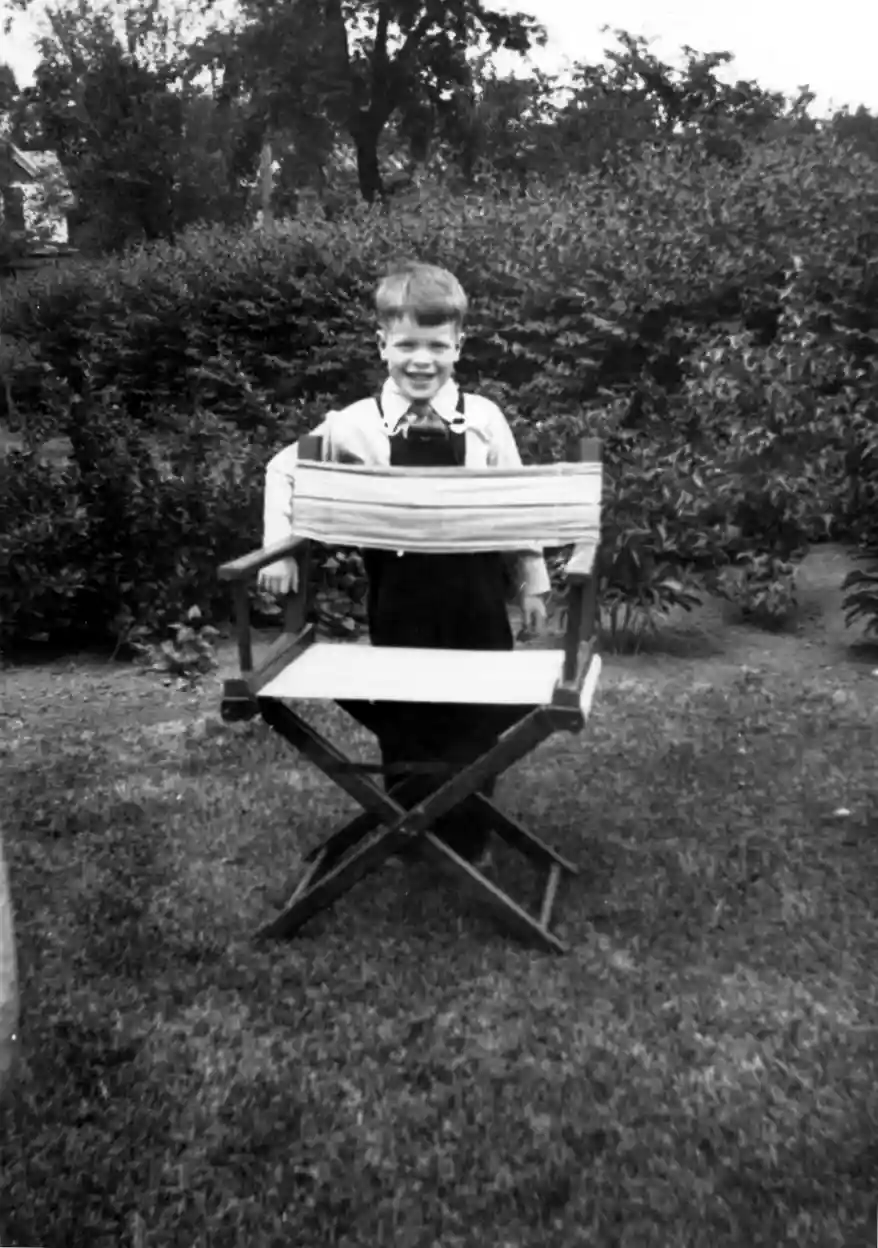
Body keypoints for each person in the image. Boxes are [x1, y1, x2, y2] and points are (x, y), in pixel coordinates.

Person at [259, 261, 549, 865]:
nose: (422, 360)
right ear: (382, 344)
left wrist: (533, 580)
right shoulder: (354, 423)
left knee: (477, 711)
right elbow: (283, 469)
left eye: (437, 346)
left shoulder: (484, 418)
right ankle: (411, 832)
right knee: (406, 713)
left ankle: (468, 834)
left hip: (476, 596)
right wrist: (278, 548)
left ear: (458, 346)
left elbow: (516, 502)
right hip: (400, 595)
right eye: (408, 344)